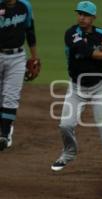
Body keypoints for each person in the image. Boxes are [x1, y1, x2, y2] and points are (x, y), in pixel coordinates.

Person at [51, 1, 102, 179]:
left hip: (99, 87)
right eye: (79, 14)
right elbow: (88, 52)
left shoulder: (101, 34)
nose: (81, 18)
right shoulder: (71, 34)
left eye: (85, 15)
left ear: (93, 18)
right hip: (77, 88)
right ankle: (69, 153)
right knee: (65, 125)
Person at [0, 0, 39, 150]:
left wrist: (34, 57)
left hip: (17, 57)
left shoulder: (25, 6)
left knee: (11, 96)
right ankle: (5, 128)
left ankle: (4, 134)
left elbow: (30, 31)